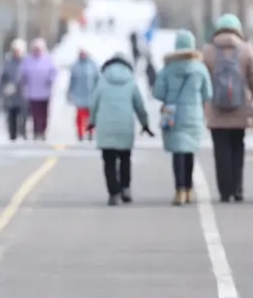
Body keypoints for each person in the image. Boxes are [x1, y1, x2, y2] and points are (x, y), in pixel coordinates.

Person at [202, 13, 253, 202]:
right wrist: (250, 94)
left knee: (221, 151)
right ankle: (238, 189)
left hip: (216, 109)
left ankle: (224, 191)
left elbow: (202, 80)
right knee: (238, 148)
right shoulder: (247, 50)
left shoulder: (207, 51)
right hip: (240, 108)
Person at [153, 29, 213, 206]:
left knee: (177, 152)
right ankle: (189, 189)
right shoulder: (200, 69)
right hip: (193, 115)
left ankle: (179, 189)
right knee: (189, 152)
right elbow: (207, 93)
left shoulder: (168, 69)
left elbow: (158, 92)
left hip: (174, 115)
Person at [88, 53, 153, 205]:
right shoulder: (131, 82)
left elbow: (94, 104)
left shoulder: (102, 82)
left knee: (109, 161)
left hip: (106, 127)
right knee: (125, 159)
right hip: (125, 126)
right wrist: (145, 124)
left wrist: (91, 122)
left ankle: (114, 193)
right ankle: (125, 188)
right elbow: (139, 106)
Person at [20, 38, 57, 140]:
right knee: (35, 114)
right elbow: (23, 73)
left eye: (39, 49)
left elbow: (54, 72)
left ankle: (43, 131)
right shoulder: (28, 60)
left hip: (45, 92)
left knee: (44, 114)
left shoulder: (48, 59)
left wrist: (50, 80)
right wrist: (25, 81)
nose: (37, 51)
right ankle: (36, 131)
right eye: (35, 49)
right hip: (33, 92)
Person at [67, 47, 100, 141]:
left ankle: (90, 132)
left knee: (91, 116)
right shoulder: (75, 66)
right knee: (80, 116)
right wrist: (70, 93)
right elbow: (72, 81)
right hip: (79, 95)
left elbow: (98, 79)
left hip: (91, 94)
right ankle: (80, 133)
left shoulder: (93, 65)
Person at [0, 38, 27, 141]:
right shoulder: (8, 62)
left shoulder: (26, 62)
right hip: (11, 93)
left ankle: (23, 133)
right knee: (11, 114)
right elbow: (3, 76)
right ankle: (12, 135)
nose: (16, 53)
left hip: (23, 93)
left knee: (23, 115)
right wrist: (6, 86)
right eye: (15, 50)